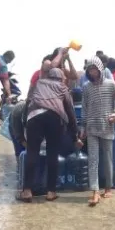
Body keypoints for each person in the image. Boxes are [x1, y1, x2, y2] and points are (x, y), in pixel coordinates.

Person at [19, 67, 81, 202]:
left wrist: (25, 123)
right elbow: (70, 112)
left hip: (34, 117)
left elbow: (28, 102)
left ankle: (27, 191)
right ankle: (51, 192)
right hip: (54, 118)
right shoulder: (63, 87)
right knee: (52, 154)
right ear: (61, 78)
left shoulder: (39, 83)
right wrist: (75, 136)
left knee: (32, 152)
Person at [81, 55, 115, 206]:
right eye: (90, 70)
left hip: (107, 127)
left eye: (95, 69)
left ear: (100, 69)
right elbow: (84, 109)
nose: (92, 72)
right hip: (92, 128)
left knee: (107, 159)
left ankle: (108, 187)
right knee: (93, 160)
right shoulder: (86, 88)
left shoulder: (111, 84)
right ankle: (95, 191)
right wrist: (83, 127)